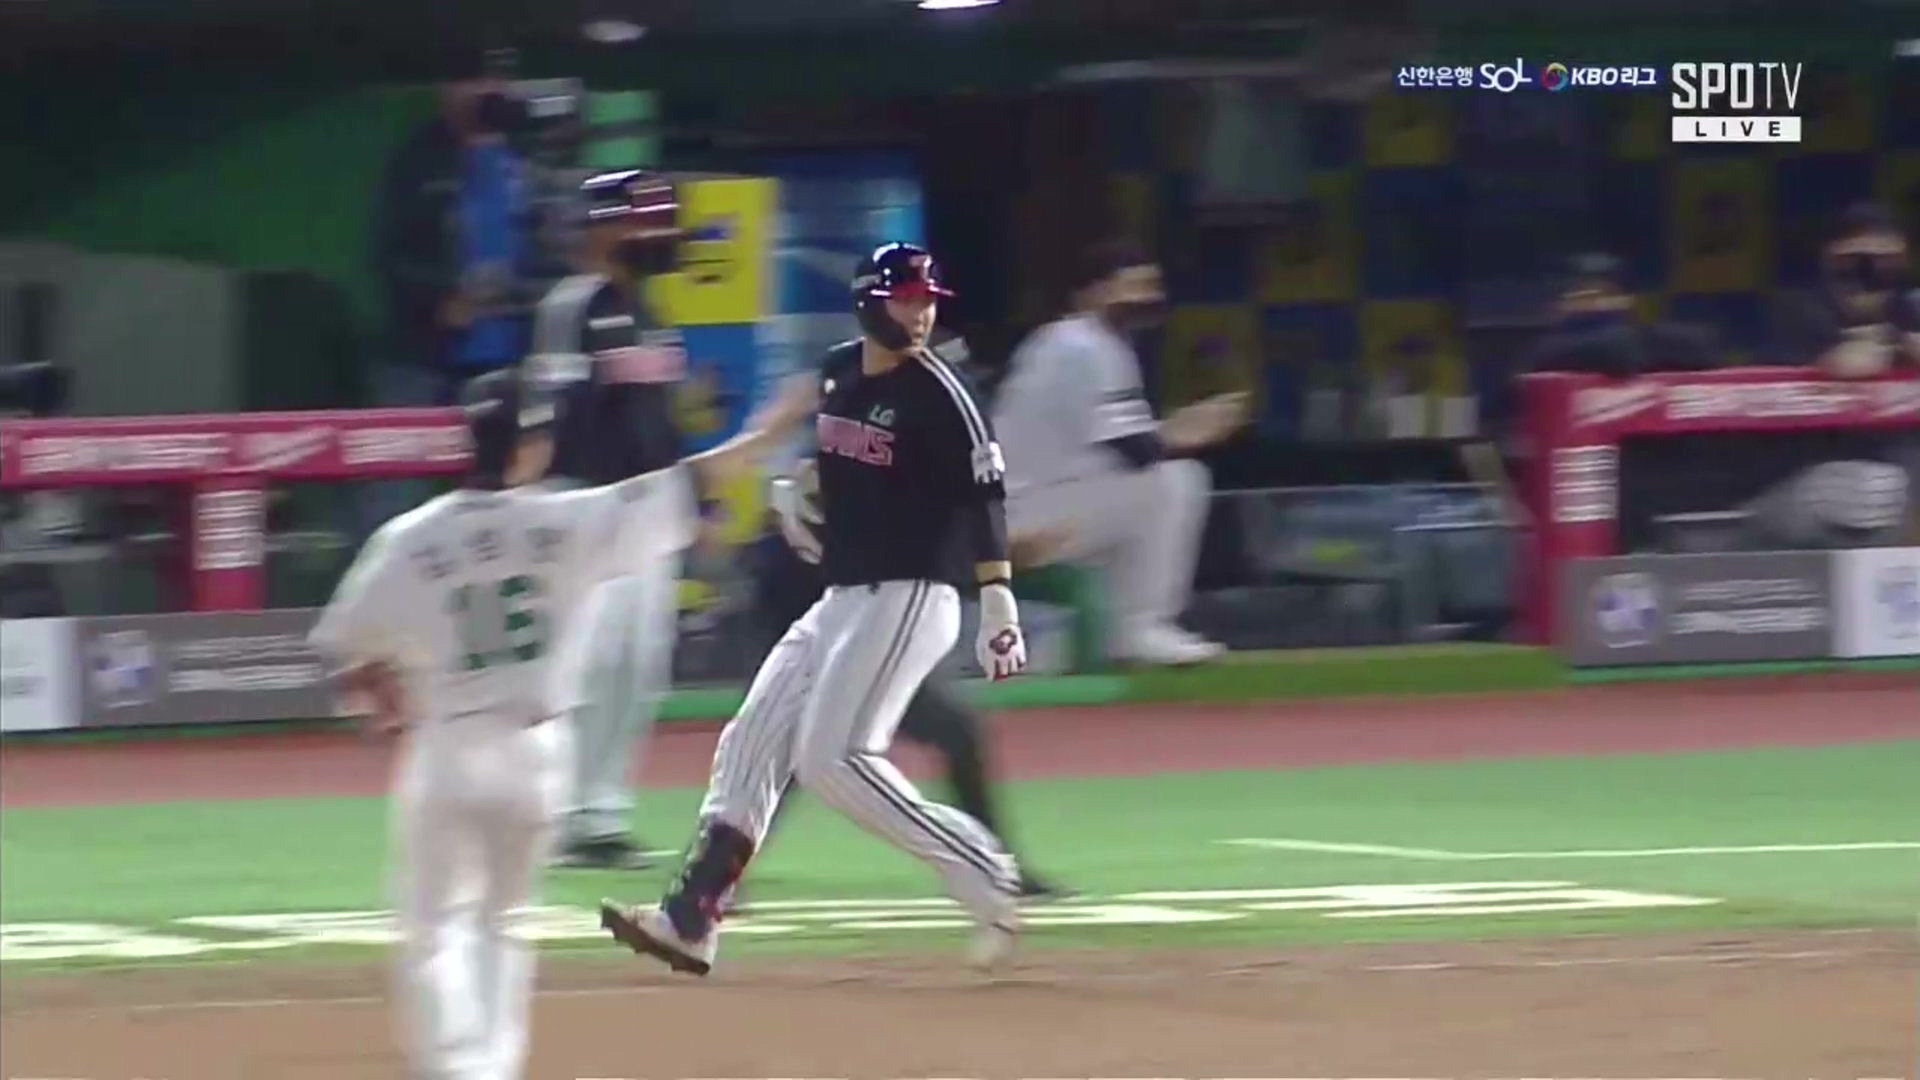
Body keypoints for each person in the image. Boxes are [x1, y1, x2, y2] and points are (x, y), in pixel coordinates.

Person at [306, 367, 809, 1080]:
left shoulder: (409, 539)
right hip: (539, 756)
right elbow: (695, 479)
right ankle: (494, 1067)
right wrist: (773, 426)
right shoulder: (566, 521)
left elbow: (343, 651)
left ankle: (457, 1071)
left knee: (435, 929)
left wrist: (383, 707)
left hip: (448, 746)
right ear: (534, 446)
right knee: (503, 925)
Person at [599, 242, 1032, 976]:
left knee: (833, 760)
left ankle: (984, 867)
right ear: (868, 302)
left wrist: (998, 599)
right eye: (905, 299)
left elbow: (986, 498)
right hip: (844, 596)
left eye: (926, 301)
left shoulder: (942, 393)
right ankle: (691, 918)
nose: (920, 313)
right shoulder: (839, 372)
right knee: (750, 742)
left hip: (912, 594)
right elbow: (840, 469)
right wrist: (801, 495)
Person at [526, 168, 695, 870]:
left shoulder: (650, 310)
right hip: (585, 503)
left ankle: (602, 815)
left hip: (650, 507)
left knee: (638, 666)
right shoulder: (576, 306)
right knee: (585, 664)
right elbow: (553, 417)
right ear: (602, 227)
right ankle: (557, 814)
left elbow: (658, 420)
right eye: (644, 219)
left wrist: (689, 500)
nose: (659, 232)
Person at [990, 240, 1248, 667]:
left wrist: (1175, 429)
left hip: (1037, 503)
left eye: (1150, 287)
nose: (1144, 298)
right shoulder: (1083, 344)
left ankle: (1113, 632)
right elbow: (1137, 451)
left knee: (1145, 495)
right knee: (1174, 481)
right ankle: (1139, 628)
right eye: (1130, 287)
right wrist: (1189, 428)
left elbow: (1120, 446)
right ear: (1088, 293)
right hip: (1022, 515)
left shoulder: (1070, 342)